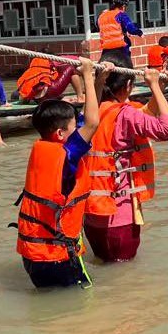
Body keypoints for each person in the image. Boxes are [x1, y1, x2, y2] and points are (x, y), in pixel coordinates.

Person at [15, 58, 108, 288]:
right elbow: (93, 123)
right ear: (59, 133)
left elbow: (87, 120)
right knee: (81, 307)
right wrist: (87, 74)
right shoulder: (67, 155)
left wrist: (98, 81)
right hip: (56, 255)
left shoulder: (42, 149)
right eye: (73, 127)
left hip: (32, 253)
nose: (78, 130)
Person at [82, 68, 168, 262]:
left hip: (92, 217)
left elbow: (144, 113)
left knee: (105, 266)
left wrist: (160, 86)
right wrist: (154, 86)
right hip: (120, 217)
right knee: (124, 274)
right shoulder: (126, 115)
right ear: (128, 86)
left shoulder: (92, 113)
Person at [97, 0, 143, 68]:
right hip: (120, 47)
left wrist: (124, 32)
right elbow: (131, 28)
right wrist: (139, 32)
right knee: (127, 68)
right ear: (123, 6)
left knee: (103, 66)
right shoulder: (121, 14)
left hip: (106, 48)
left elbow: (103, 27)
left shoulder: (102, 15)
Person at [16, 53, 81, 103]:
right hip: (49, 92)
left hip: (38, 99)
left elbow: (25, 96)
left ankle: (58, 97)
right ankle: (80, 97)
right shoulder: (54, 61)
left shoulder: (30, 71)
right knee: (71, 68)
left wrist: (60, 98)